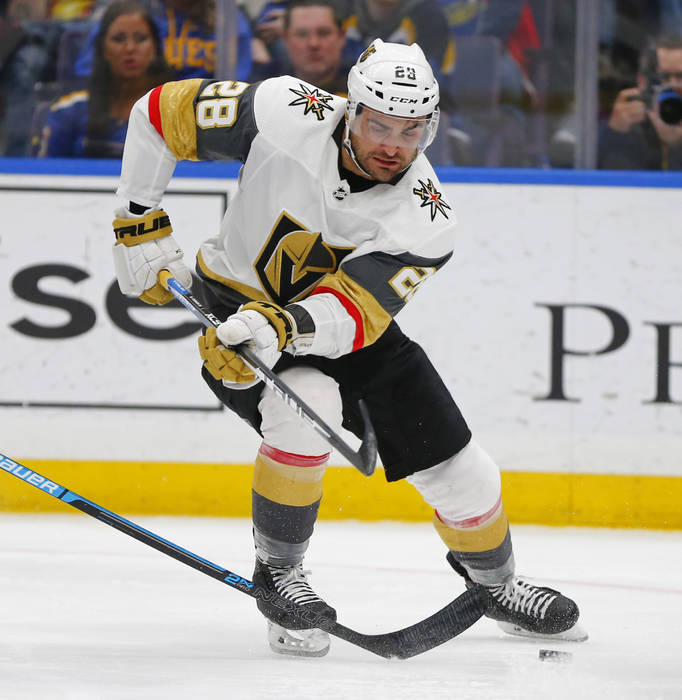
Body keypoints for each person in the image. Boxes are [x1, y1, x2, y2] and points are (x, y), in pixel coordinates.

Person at [111, 39, 587, 657]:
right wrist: (136, 218)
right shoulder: (286, 110)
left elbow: (355, 312)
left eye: (410, 130)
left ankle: (497, 588)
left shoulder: (427, 218)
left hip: (346, 330)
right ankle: (279, 573)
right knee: (304, 410)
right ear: (350, 109)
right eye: (379, 124)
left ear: (431, 129)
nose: (392, 143)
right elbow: (159, 112)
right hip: (234, 305)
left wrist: (280, 328)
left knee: (464, 473)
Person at [39, 0, 171, 158]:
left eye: (140, 38)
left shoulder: (177, 115)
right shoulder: (68, 112)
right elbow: (45, 178)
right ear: (103, 49)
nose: (130, 48)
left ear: (155, 47)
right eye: (119, 39)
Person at [73, 0, 254, 82]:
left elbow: (237, 87)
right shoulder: (129, 12)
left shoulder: (229, 20)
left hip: (200, 120)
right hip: (135, 112)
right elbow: (88, 73)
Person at [599, 33, 682, 170]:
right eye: (663, 77)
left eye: (680, 76)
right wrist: (615, 134)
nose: (672, 85)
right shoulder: (627, 123)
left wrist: (677, 143)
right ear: (642, 82)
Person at [282, 0, 349, 95]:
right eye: (302, 34)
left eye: (324, 33)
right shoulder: (265, 88)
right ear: (286, 39)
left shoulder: (366, 87)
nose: (313, 44)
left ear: (341, 36)